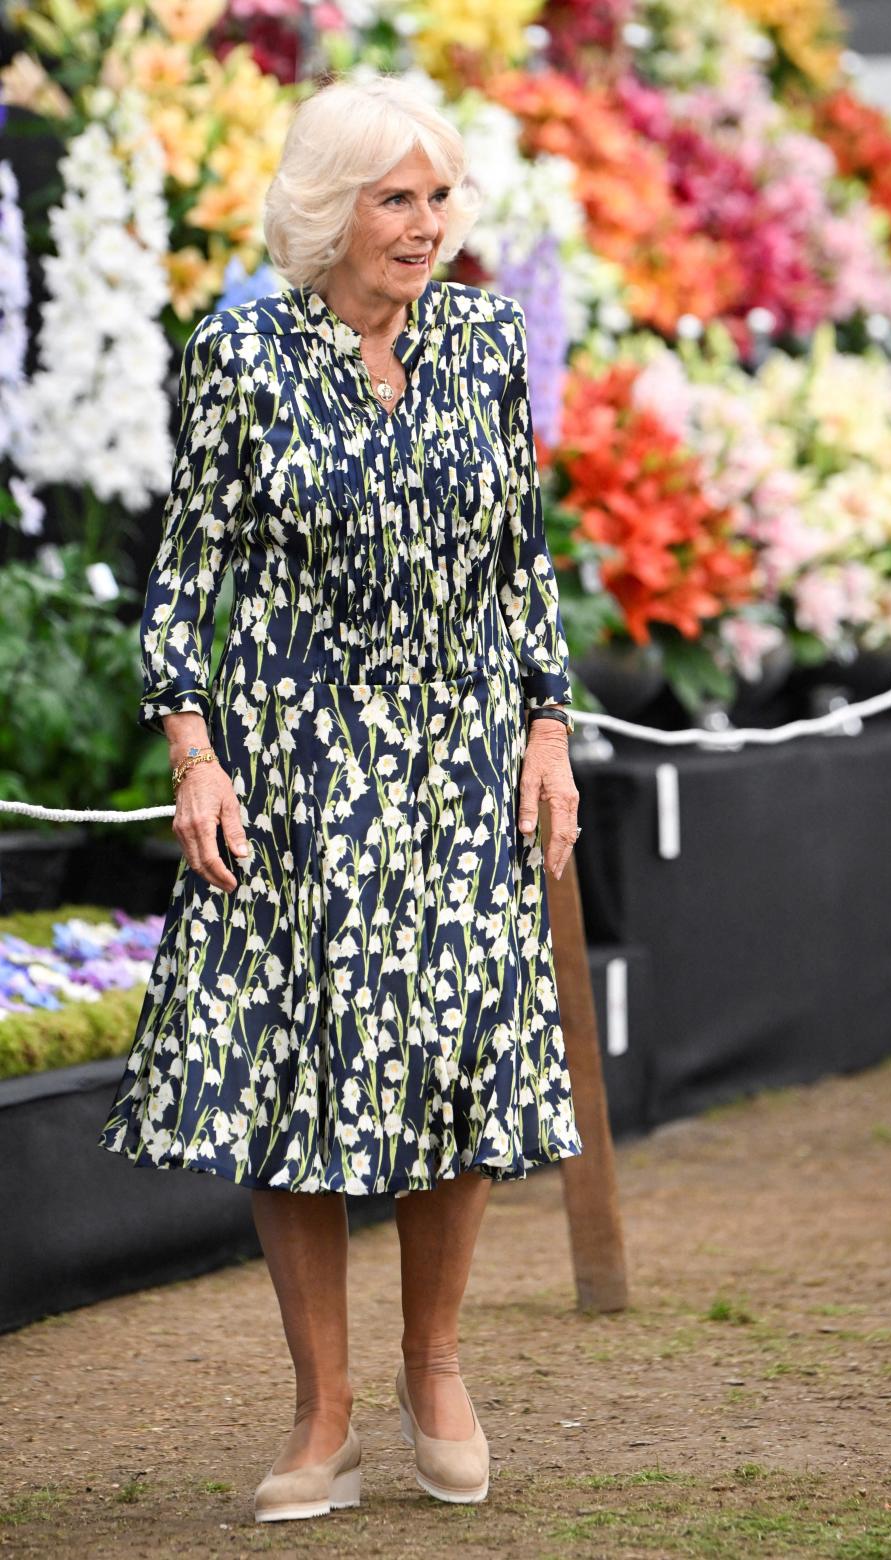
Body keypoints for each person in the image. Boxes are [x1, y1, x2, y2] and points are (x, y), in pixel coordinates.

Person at [98, 68, 584, 1520]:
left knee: (456, 1056)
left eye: (440, 197)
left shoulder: (487, 336)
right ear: (329, 211)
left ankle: (437, 1369)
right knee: (297, 1072)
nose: (427, 224)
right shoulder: (242, 355)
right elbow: (187, 571)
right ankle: (324, 1417)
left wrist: (546, 729)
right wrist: (195, 751)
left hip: (461, 755)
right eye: (397, 198)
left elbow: (521, 557)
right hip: (300, 759)